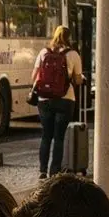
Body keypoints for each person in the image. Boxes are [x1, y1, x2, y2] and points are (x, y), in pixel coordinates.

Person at [31, 25, 83, 180]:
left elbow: (34, 76)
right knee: (59, 137)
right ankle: (54, 172)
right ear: (69, 37)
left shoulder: (44, 52)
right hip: (65, 100)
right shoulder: (73, 54)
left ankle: (42, 170)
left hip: (44, 99)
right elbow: (77, 80)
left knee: (46, 136)